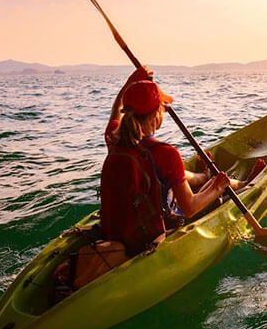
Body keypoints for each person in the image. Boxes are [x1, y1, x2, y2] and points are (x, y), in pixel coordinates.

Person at [100, 67, 239, 254]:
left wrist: (129, 83)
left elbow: (116, 110)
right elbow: (190, 208)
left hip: (117, 231)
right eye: (163, 108)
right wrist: (218, 187)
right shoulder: (166, 153)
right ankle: (242, 184)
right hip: (153, 237)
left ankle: (206, 177)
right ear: (156, 114)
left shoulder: (115, 138)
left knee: (179, 182)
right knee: (219, 186)